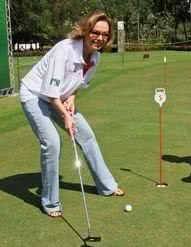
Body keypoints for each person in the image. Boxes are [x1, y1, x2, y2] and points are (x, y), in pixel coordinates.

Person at [19, 11, 124, 218]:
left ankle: (106, 186)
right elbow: (50, 94)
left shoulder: (96, 56)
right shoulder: (64, 50)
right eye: (95, 32)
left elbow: (77, 84)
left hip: (59, 97)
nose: (100, 38)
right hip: (34, 94)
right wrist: (66, 116)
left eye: (105, 34)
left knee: (87, 135)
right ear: (86, 31)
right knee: (52, 142)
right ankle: (50, 202)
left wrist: (73, 98)